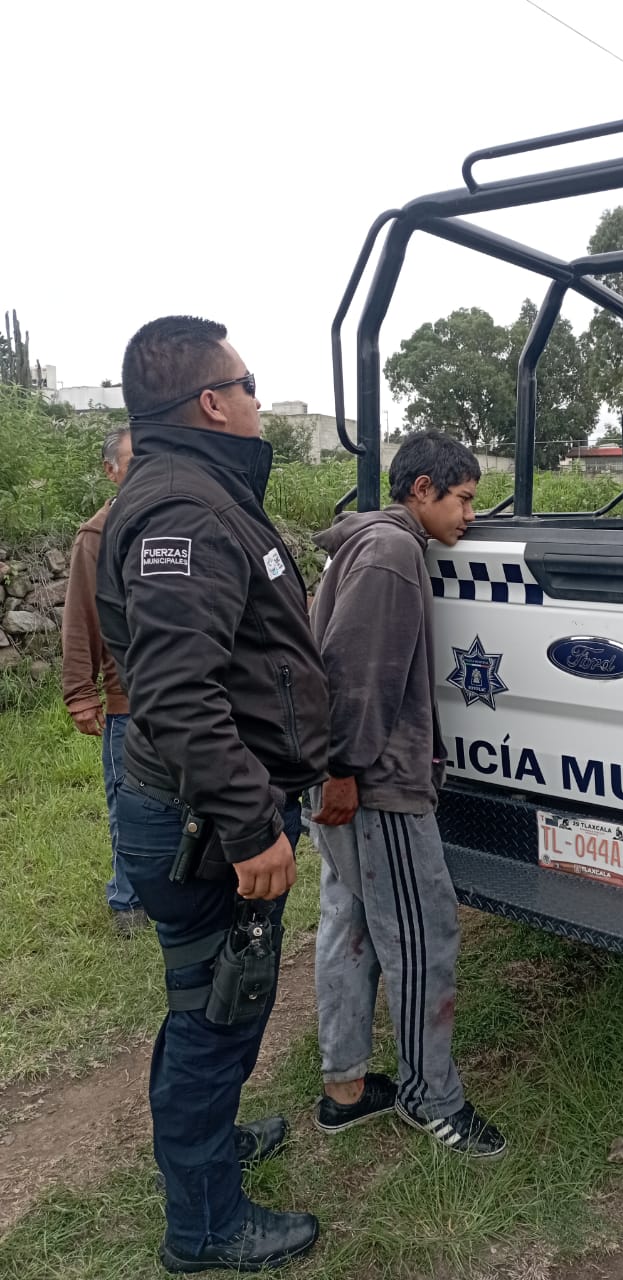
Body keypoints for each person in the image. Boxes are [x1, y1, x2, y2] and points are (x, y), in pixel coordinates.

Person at [96, 316, 328, 1273]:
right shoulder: (186, 513)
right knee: (216, 1007)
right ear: (211, 402)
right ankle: (203, 1228)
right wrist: (247, 823)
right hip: (207, 821)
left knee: (213, 998)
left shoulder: (199, 492)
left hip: (211, 807)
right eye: (249, 383)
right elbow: (176, 694)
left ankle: (211, 1148)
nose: (257, 399)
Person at [310, 429, 506, 1159]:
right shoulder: (393, 553)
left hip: (350, 780)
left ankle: (345, 1090)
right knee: (423, 936)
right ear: (422, 489)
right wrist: (343, 770)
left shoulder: (367, 543)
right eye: (463, 499)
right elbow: (354, 674)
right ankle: (432, 1099)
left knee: (351, 925)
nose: (470, 517)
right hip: (378, 785)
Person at [62, 426, 149, 936]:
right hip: (127, 703)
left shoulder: (170, 520)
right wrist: (81, 693)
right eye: (134, 462)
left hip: (184, 696)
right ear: (110, 471)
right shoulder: (97, 534)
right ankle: (127, 900)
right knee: (129, 801)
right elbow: (81, 617)